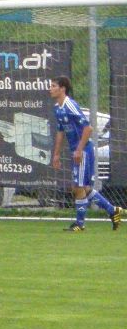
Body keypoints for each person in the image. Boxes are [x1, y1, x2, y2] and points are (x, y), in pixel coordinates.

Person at [49, 76, 121, 232]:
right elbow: (60, 132)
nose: (50, 89)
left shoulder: (70, 105)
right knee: (84, 188)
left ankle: (80, 224)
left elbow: (88, 129)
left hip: (84, 150)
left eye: (53, 86)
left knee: (78, 187)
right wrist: (56, 154)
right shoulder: (57, 108)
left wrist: (79, 149)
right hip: (77, 150)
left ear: (62, 89)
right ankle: (112, 210)